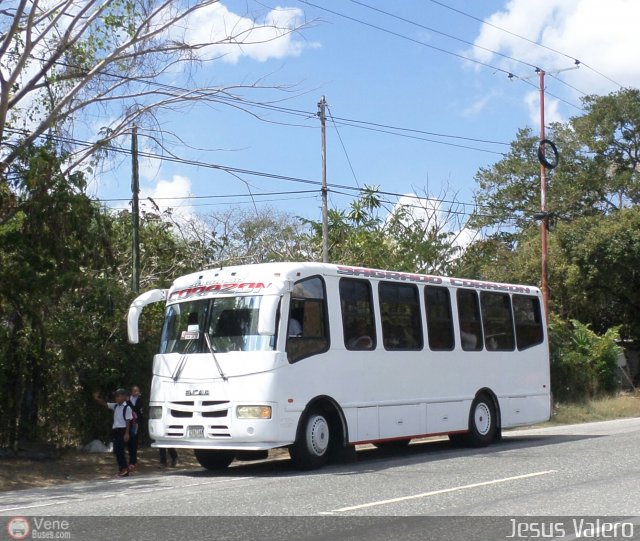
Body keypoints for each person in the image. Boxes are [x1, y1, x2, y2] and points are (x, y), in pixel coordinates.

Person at [93, 389, 132, 477]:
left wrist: (127, 433)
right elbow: (105, 404)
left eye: (118, 396)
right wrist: (97, 399)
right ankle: (122, 468)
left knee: (120, 450)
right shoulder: (115, 406)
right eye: (116, 396)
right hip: (116, 430)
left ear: (123, 397)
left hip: (122, 430)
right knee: (116, 450)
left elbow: (128, 421)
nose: (116, 398)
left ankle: (125, 468)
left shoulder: (127, 407)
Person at [127, 385, 144, 472]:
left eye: (137, 391)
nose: (136, 392)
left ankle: (133, 462)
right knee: (129, 442)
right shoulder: (127, 400)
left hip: (136, 424)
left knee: (134, 441)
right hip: (128, 423)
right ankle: (132, 459)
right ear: (131, 392)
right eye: (134, 391)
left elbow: (139, 411)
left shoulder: (140, 401)